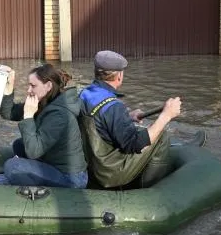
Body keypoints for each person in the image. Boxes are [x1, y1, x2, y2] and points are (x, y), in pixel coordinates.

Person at [78, 50, 182, 189]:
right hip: (109, 172)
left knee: (144, 130)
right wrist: (166, 116)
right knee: (161, 136)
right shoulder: (114, 107)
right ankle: (151, 189)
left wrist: (128, 117)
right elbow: (135, 144)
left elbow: (100, 121)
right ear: (119, 76)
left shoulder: (85, 93)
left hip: (92, 164)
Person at [0, 63, 88, 188]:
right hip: (50, 162)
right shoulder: (44, 101)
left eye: (33, 86)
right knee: (19, 144)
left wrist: (28, 116)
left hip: (71, 178)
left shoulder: (60, 114)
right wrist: (9, 86)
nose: (28, 90)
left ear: (48, 86)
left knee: (12, 166)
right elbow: (8, 113)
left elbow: (33, 152)